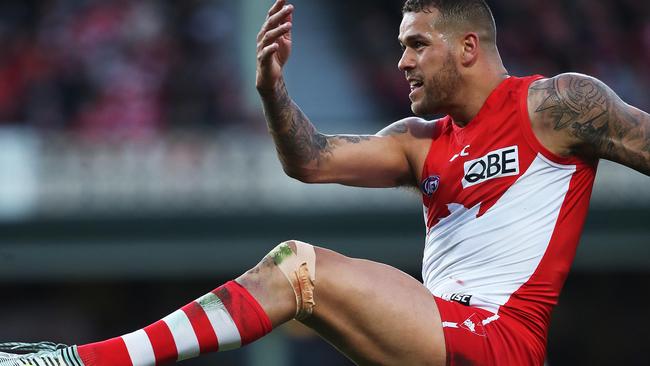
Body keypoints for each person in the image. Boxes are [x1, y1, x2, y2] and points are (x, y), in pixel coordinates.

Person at [2, 0, 649, 365]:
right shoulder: (418, 143)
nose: (401, 62)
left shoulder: (557, 105)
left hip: (497, 344)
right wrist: (272, 91)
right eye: (399, 45)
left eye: (417, 44)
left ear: (468, 48)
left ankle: (84, 361)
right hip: (440, 337)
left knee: (297, 270)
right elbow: (308, 161)